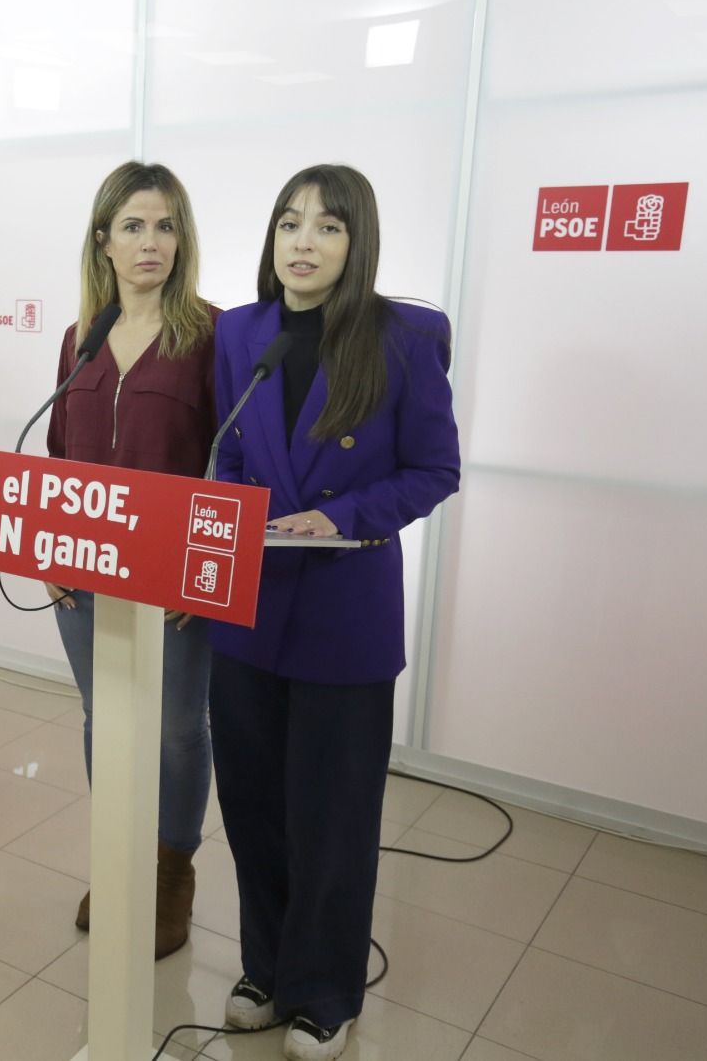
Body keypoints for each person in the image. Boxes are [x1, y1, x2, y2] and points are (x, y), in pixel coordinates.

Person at [206, 164, 460, 1060]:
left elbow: (435, 470)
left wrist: (344, 517)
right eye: (287, 223)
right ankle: (265, 968)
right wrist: (234, 508)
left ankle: (325, 989)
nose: (302, 243)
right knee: (252, 803)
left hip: (345, 608)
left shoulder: (402, 338)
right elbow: (228, 453)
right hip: (246, 607)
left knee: (333, 812)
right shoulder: (240, 333)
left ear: (359, 244)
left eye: (326, 227)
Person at [44, 161, 219, 959]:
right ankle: (120, 854)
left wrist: (200, 567)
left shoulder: (211, 336)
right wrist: (49, 549)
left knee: (178, 727)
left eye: (166, 225)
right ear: (104, 241)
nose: (152, 242)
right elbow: (56, 459)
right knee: (103, 716)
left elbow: (231, 465)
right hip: (84, 575)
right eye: (135, 226)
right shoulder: (78, 342)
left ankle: (170, 868)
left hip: (173, 578)